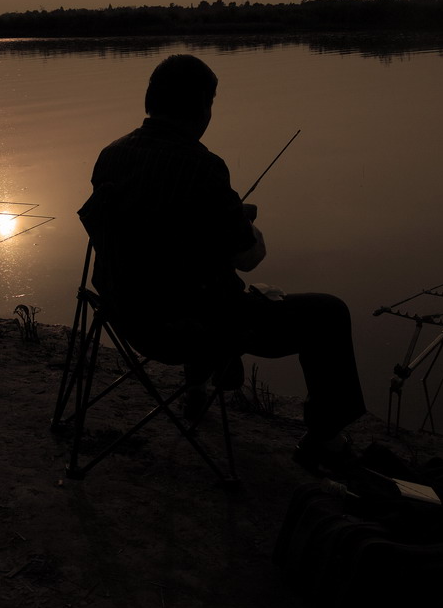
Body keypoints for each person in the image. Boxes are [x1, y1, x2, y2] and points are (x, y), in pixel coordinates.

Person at [79, 54, 365, 473]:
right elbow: (248, 260)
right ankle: (325, 439)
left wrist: (220, 219)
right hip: (187, 328)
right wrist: (247, 226)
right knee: (329, 313)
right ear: (202, 107)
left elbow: (152, 231)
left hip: (124, 314)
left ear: (151, 100)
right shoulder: (203, 166)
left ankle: (196, 386)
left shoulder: (110, 155)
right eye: (210, 104)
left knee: (188, 273)